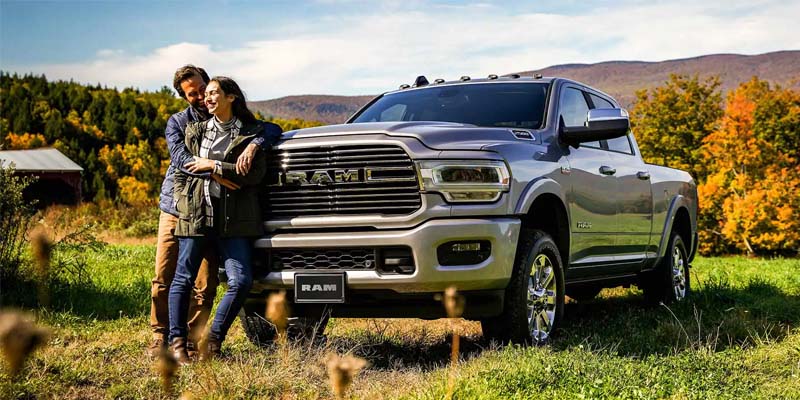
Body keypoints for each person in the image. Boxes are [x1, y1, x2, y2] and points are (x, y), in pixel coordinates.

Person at [148, 65, 280, 358]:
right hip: (178, 206)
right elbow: (182, 160)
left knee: (206, 284)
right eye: (191, 94)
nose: (199, 97)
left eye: (203, 89)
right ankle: (162, 338)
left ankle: (197, 340)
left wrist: (255, 144)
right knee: (164, 276)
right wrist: (216, 172)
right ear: (184, 97)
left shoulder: (234, 119)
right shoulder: (183, 124)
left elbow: (270, 129)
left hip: (225, 214)